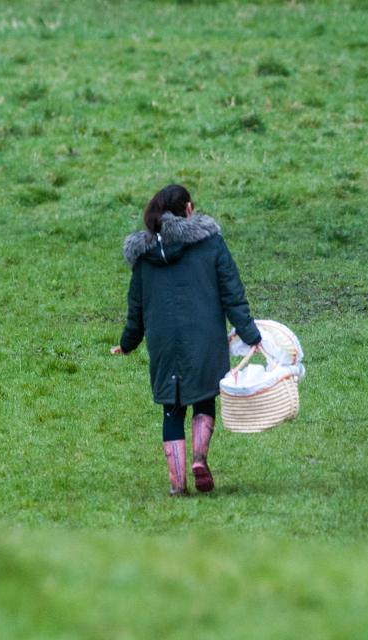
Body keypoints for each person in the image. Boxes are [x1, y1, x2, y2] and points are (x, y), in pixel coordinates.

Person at [112, 184, 261, 496]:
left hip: (163, 341)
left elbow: (135, 308)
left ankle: (177, 485)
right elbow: (232, 293)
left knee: (172, 408)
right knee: (204, 398)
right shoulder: (211, 243)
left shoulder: (143, 256)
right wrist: (250, 334)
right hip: (205, 336)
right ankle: (199, 459)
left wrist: (127, 343)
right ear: (189, 209)